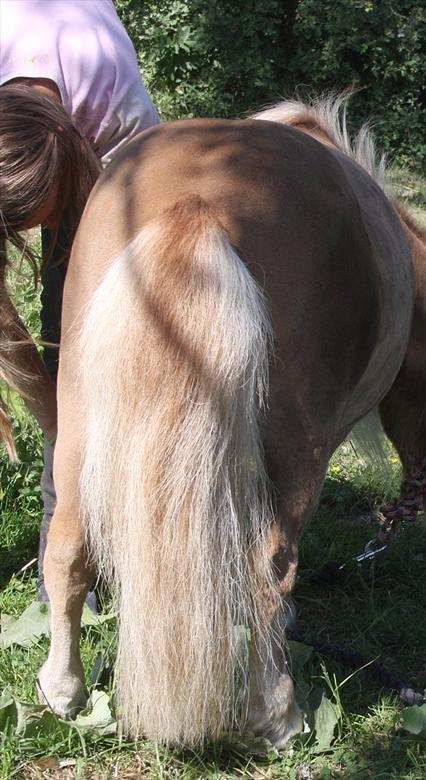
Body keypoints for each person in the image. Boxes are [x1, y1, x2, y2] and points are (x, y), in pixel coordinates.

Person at [0, 0, 160, 601]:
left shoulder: (112, 127)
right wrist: (59, 425)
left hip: (122, 165)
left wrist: (77, 411)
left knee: (95, 348)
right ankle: (66, 557)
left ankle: (105, 552)